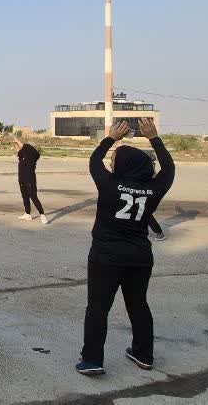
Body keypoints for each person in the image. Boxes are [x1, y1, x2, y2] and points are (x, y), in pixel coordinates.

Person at [76, 118, 174, 376]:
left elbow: (94, 161)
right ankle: (144, 354)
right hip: (139, 256)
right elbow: (169, 169)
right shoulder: (154, 188)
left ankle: (92, 360)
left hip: (106, 256)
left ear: (124, 165)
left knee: (98, 309)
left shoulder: (109, 184)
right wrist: (154, 138)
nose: (111, 163)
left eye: (114, 160)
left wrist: (110, 138)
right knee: (138, 305)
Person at [15, 140, 49, 224]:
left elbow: (24, 146)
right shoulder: (23, 156)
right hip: (21, 179)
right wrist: (14, 143)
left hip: (30, 179)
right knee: (25, 197)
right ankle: (27, 214)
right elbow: (19, 151)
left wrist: (16, 140)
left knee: (33, 197)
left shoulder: (32, 158)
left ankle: (42, 215)